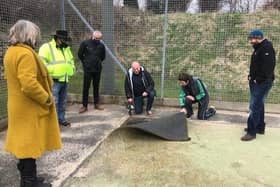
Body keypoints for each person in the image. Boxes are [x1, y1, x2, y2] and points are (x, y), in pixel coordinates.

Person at [3, 20, 62, 187]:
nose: (36, 37)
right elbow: (28, 84)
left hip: (19, 106)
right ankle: (29, 183)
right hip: (28, 107)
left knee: (25, 145)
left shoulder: (11, 52)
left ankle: (28, 179)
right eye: (34, 34)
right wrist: (47, 98)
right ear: (28, 34)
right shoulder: (25, 54)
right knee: (29, 146)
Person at [241, 29, 276, 141]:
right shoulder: (259, 48)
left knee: (254, 106)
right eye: (250, 39)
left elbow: (268, 67)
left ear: (259, 38)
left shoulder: (266, 48)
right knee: (259, 104)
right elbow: (257, 65)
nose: (251, 41)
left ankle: (252, 132)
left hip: (262, 83)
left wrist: (258, 80)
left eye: (253, 39)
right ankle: (260, 127)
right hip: (257, 82)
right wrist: (251, 76)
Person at [39, 30, 75, 126]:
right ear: (58, 38)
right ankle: (51, 122)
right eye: (64, 39)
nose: (66, 42)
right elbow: (41, 64)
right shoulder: (46, 47)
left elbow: (71, 60)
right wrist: (54, 71)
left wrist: (72, 68)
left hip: (65, 79)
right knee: (53, 102)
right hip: (53, 80)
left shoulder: (66, 48)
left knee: (62, 102)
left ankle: (61, 119)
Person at [78, 30, 106, 113]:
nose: (98, 39)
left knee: (96, 86)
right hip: (88, 69)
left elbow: (103, 57)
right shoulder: (85, 43)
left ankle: (96, 104)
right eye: (96, 38)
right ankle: (84, 105)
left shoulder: (101, 46)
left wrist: (97, 62)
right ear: (93, 36)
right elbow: (80, 54)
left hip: (97, 69)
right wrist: (85, 62)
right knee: (86, 87)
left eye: (99, 38)